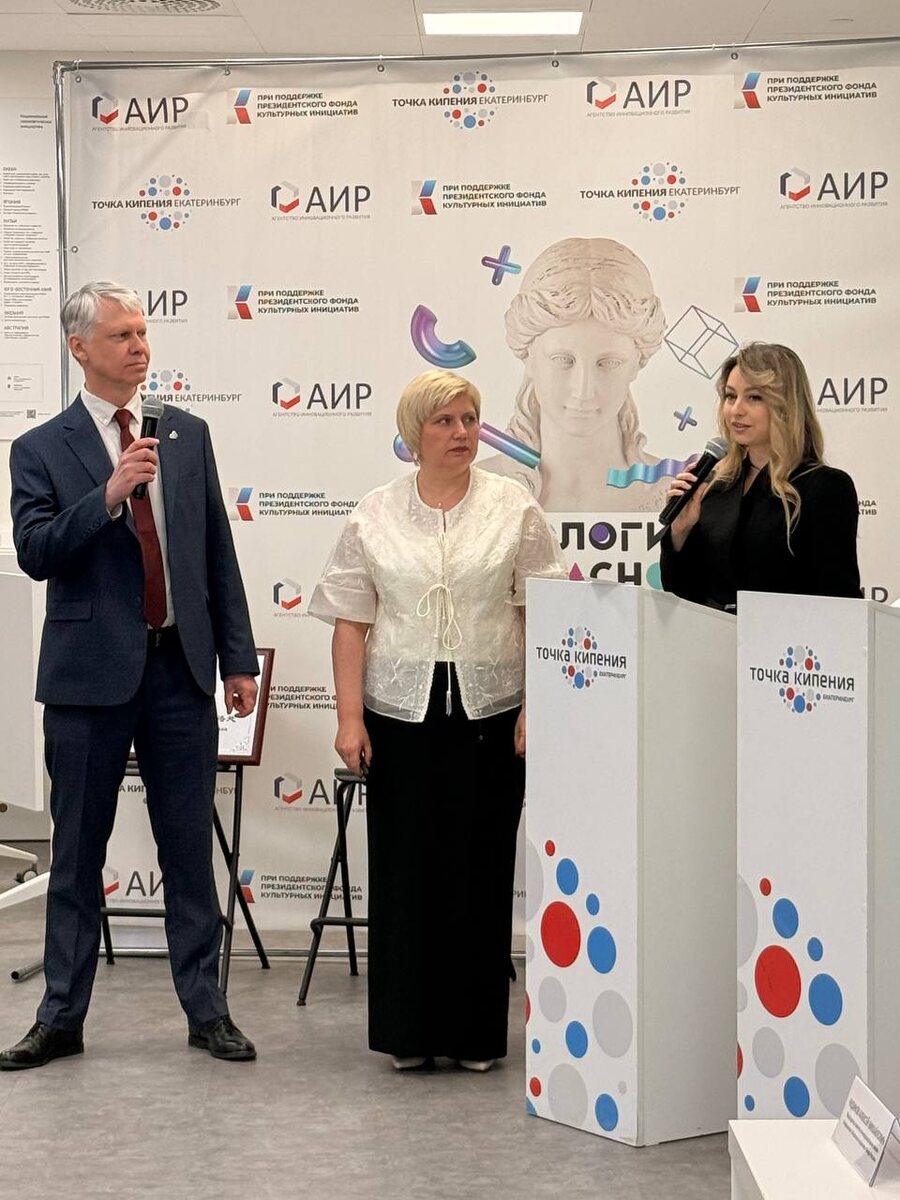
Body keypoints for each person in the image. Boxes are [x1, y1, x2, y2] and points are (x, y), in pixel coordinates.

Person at [1, 281, 260, 1070]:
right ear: (79, 347)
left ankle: (207, 1011)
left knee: (187, 850)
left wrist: (237, 658)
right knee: (78, 856)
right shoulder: (39, 448)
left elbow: (215, 549)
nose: (139, 346)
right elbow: (36, 552)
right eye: (120, 335)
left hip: (180, 672)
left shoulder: (184, 433)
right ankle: (60, 1018)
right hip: (87, 682)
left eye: (142, 332)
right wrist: (108, 495)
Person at [309, 368, 566, 1072]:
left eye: (470, 419)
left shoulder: (514, 507)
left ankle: (475, 1035)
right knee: (405, 873)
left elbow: (541, 613)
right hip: (399, 713)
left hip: (491, 712)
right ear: (413, 433)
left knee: (482, 868)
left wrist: (537, 706)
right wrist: (349, 719)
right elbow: (351, 622)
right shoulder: (374, 513)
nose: (461, 433)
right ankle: (409, 1032)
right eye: (445, 421)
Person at [660, 341, 860, 609]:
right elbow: (682, 593)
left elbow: (839, 600)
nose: (736, 410)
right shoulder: (717, 487)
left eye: (754, 397)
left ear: (785, 406)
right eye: (730, 396)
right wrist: (681, 531)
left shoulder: (824, 486)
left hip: (786, 635)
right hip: (712, 634)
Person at [483, 236, 668, 512]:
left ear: (636, 363)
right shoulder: (477, 492)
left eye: (608, 363)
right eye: (563, 360)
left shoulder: (673, 495)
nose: (583, 390)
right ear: (528, 357)